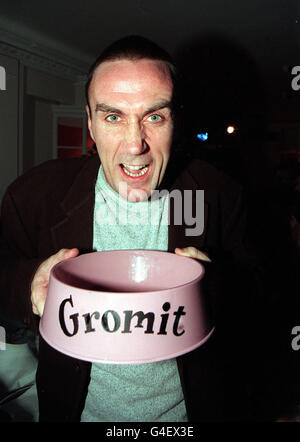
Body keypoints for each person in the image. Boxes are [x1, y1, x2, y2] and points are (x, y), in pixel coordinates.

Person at [0, 35, 291, 422]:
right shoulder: (34, 194)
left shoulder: (221, 194)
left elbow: (270, 292)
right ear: (90, 121)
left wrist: (221, 286)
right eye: (113, 116)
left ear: (176, 122)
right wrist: (27, 284)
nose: (135, 143)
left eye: (154, 116)